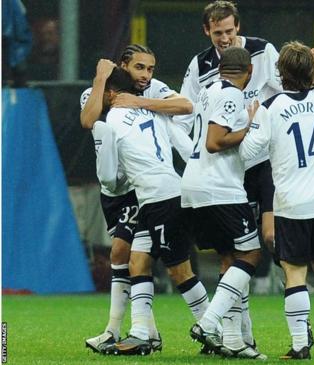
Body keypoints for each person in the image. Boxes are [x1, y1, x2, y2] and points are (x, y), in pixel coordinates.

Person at [174, 1, 282, 345]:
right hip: (226, 173)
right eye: (217, 32)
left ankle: (287, 295)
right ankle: (237, 335)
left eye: (230, 31)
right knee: (235, 254)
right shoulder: (201, 67)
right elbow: (187, 115)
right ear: (207, 31)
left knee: (270, 238)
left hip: (259, 163)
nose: (224, 38)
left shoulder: (263, 51)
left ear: (239, 27)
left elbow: (287, 92)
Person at [240, 41, 314, 360]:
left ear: (280, 73)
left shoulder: (271, 108)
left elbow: (249, 153)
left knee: (294, 272)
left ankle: (300, 344)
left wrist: (251, 127)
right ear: (312, 71)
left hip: (291, 204)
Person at [82, 44, 195, 353]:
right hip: (112, 191)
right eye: (140, 68)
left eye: (150, 69)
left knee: (125, 254)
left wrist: (140, 101)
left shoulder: (153, 89)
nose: (146, 75)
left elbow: (186, 106)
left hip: (139, 186)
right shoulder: (104, 88)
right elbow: (88, 120)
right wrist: (99, 80)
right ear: (123, 66)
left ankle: (118, 330)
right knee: (130, 259)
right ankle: (146, 332)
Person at [184, 47, 266, 360]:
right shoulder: (231, 94)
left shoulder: (208, 91)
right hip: (220, 188)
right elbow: (214, 141)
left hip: (196, 184)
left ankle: (235, 340)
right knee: (251, 253)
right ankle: (209, 323)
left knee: (230, 259)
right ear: (248, 72)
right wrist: (250, 126)